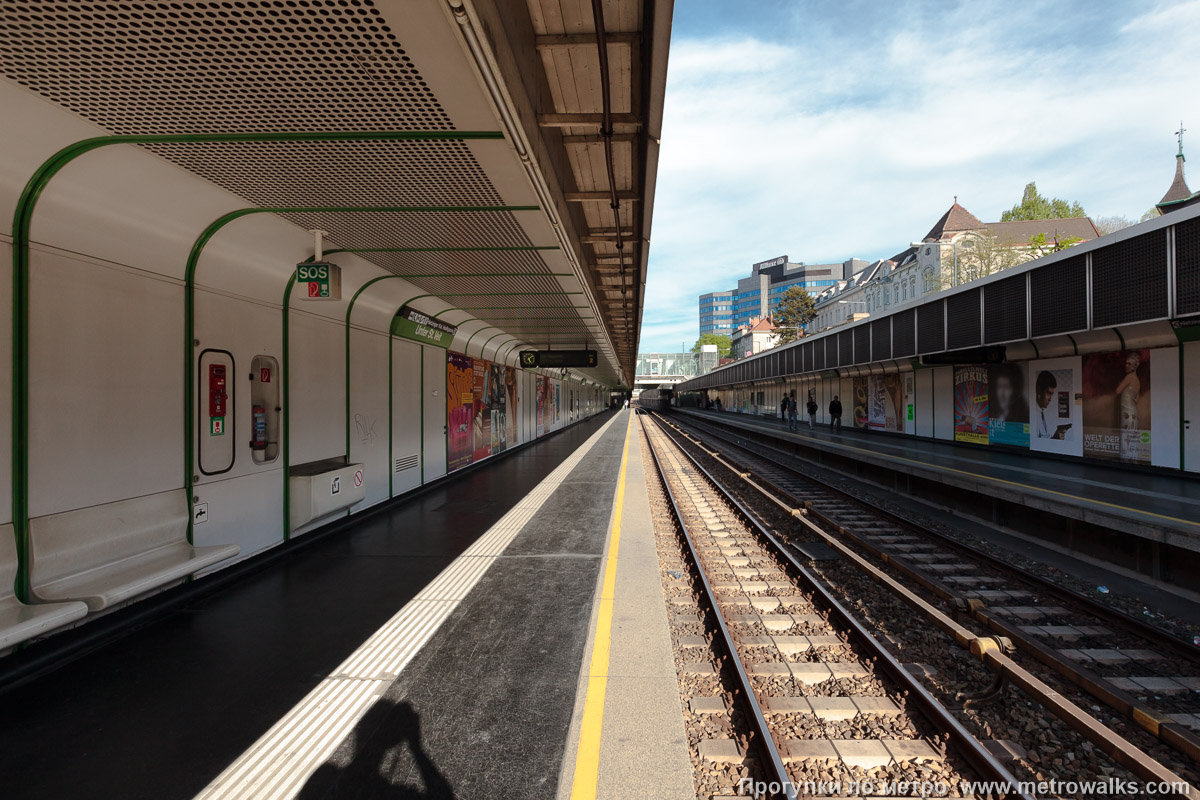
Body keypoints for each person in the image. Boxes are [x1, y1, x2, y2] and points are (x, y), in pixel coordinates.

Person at [1116, 351, 1142, 460]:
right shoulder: (1137, 380)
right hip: (1133, 412)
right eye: (1126, 363)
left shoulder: (1129, 377)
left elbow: (1117, 391)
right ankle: (1132, 458)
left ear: (1134, 366)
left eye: (1129, 364)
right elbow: (1137, 399)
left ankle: (1125, 459)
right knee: (1132, 435)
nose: (1126, 365)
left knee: (1125, 435)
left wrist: (1119, 384)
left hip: (1126, 412)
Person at [1034, 370, 1066, 440]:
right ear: (1039, 390)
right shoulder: (1033, 413)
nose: (1050, 399)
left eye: (1052, 394)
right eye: (1048, 393)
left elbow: (1042, 439)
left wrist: (1055, 437)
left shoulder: (1041, 412)